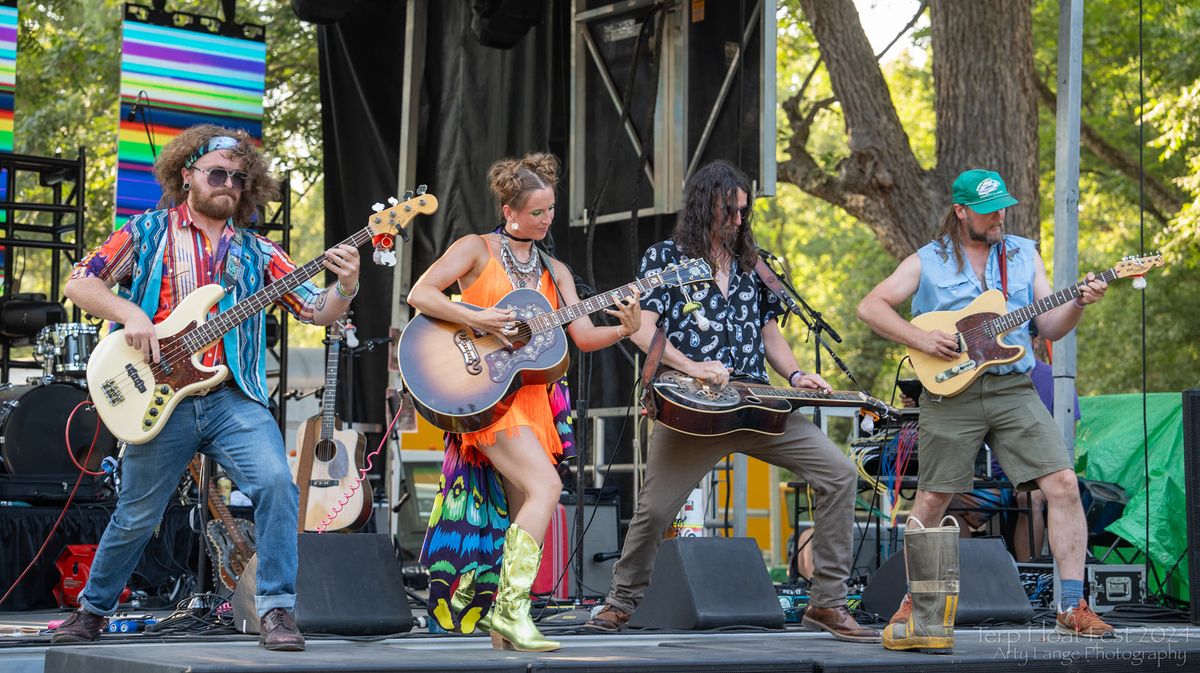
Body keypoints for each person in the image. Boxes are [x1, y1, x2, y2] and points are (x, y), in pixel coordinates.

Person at [53, 125, 361, 651]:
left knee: (277, 487)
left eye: (239, 177)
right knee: (137, 514)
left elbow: (316, 310)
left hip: (233, 397)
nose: (228, 183)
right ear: (187, 175)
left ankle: (277, 611)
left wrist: (347, 285)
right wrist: (130, 313)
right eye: (216, 172)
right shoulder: (147, 231)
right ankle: (93, 611)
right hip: (158, 396)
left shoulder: (260, 253)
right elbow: (81, 281)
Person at [586, 160, 879, 643]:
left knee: (839, 474)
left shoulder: (753, 263)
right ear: (706, 206)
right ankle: (620, 603)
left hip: (757, 403)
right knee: (657, 509)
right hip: (692, 407)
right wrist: (693, 366)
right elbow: (642, 328)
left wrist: (798, 373)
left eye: (744, 211)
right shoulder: (665, 257)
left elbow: (770, 334)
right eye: (731, 210)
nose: (740, 220)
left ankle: (827, 603)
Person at [857, 168, 1114, 640]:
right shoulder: (928, 260)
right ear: (960, 211)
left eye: (1002, 207)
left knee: (1062, 483)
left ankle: (1071, 605)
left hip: (1011, 387)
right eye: (987, 209)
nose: (998, 216)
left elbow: (1051, 327)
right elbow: (871, 306)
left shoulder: (1023, 253)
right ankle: (914, 603)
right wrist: (921, 338)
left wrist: (1079, 301)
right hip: (950, 392)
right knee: (933, 497)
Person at [407, 152, 640, 652]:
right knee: (547, 488)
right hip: (486, 396)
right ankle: (511, 611)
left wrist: (624, 326)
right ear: (510, 211)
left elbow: (581, 336)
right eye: (538, 212)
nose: (548, 219)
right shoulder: (475, 248)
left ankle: (505, 633)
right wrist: (481, 320)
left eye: (552, 210)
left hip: (535, 403)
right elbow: (420, 295)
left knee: (524, 511)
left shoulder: (556, 271)